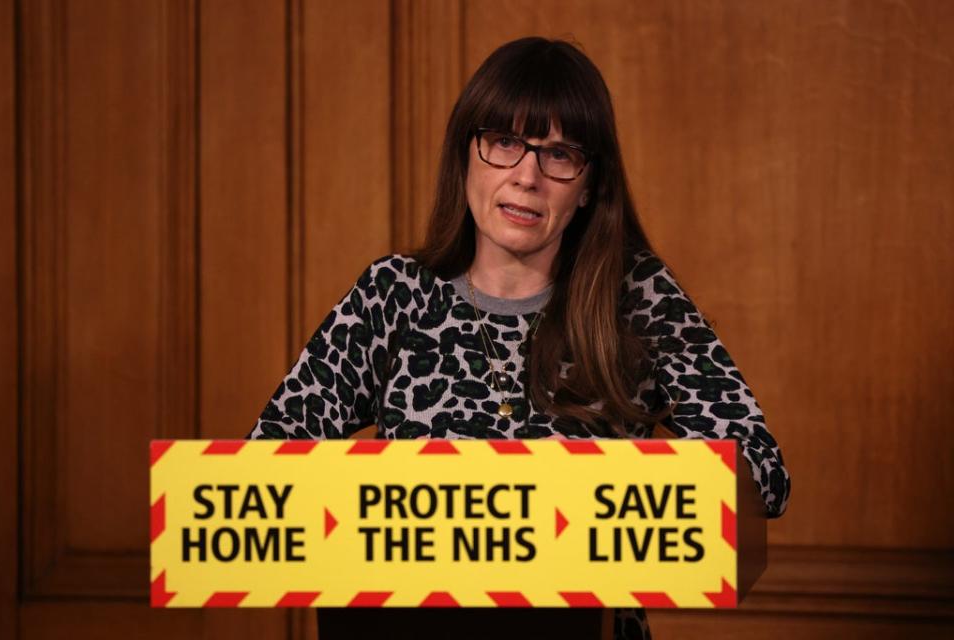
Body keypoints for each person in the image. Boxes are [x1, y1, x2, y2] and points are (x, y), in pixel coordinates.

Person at [250, 37, 790, 640]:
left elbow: (762, 472)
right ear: (467, 156)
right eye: (505, 143)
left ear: (588, 184)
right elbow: (262, 475)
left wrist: (634, 496)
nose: (527, 175)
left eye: (559, 154)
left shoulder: (634, 297)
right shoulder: (394, 294)